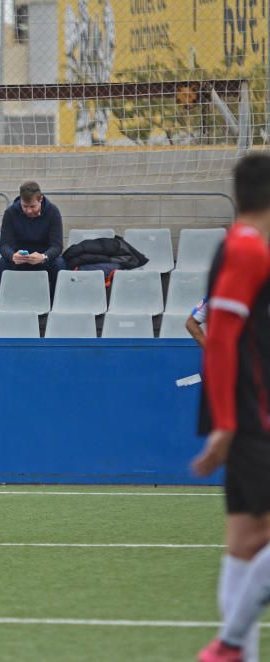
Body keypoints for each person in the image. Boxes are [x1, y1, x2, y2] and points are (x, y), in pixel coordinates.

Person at [193, 153, 270, 662]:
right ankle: (232, 644)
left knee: (244, 540)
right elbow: (219, 339)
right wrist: (224, 424)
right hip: (252, 417)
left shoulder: (238, 246)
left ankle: (235, 651)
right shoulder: (248, 251)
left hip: (244, 414)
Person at [0, 181, 66, 292]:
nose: (29, 210)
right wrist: (12, 256)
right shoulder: (10, 213)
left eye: (33, 206)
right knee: (2, 264)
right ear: (20, 200)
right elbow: (4, 245)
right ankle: (4, 301)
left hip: (43, 257)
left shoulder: (52, 211)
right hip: (19, 259)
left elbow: (57, 246)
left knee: (59, 264)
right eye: (25, 206)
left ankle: (55, 303)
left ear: (41, 199)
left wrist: (44, 257)